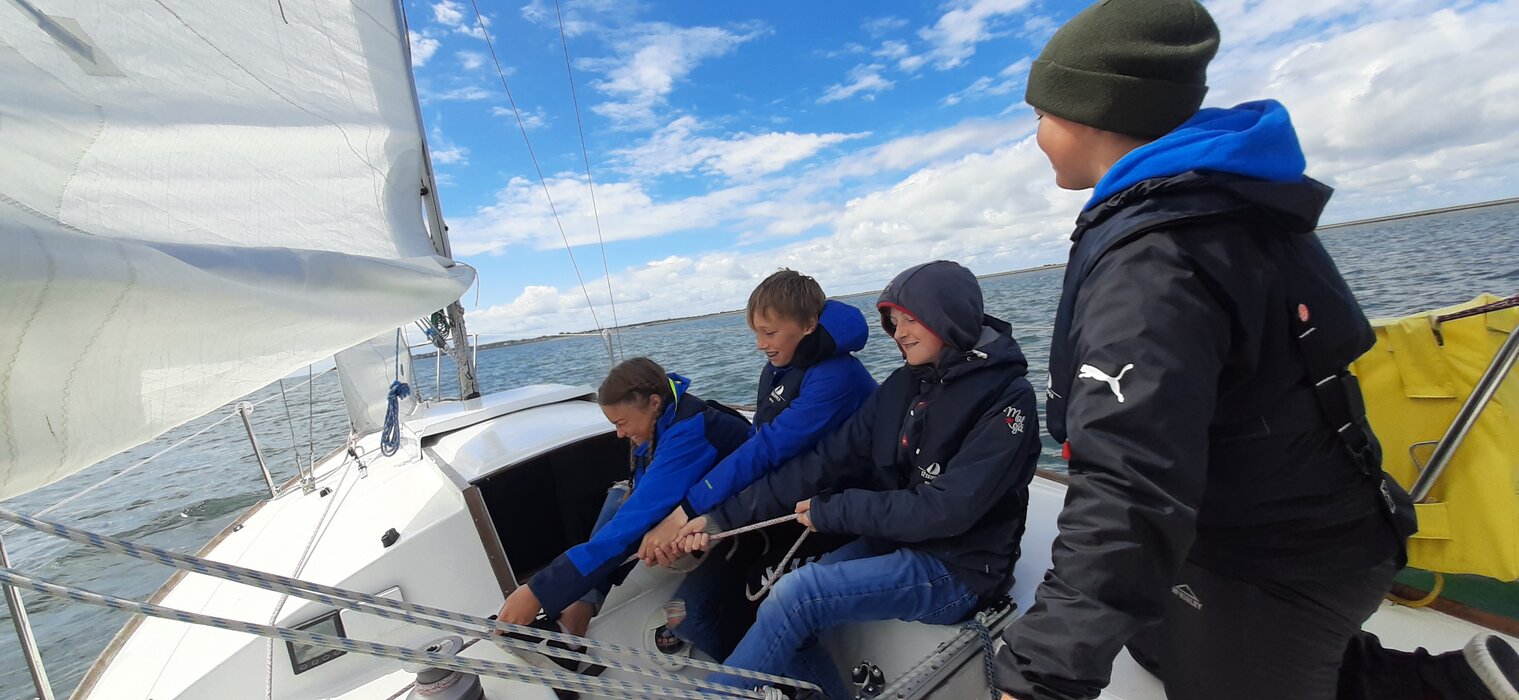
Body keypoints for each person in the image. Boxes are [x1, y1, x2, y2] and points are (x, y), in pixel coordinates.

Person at [991, 2, 1518, 699]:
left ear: (1090, 111)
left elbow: (1130, 478)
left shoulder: (1155, 257)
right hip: (1317, 516)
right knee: (1164, 644)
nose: (1035, 135)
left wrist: (1039, 676)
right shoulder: (1224, 202)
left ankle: (1460, 687)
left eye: (1040, 114)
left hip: (1276, 555)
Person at [679, 260, 1040, 699]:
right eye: (895, 321)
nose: (900, 332)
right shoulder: (903, 385)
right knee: (778, 601)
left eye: (912, 319)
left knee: (799, 593)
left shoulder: (1008, 399)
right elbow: (827, 459)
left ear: (949, 317)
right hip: (895, 541)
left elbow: (947, 510)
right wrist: (721, 518)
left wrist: (835, 510)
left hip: (960, 569)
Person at [638, 269, 878, 660]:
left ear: (808, 325)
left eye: (769, 332)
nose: (760, 344)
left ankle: (782, 682)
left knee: (759, 607)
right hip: (778, 503)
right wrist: (704, 514)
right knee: (691, 613)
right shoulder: (779, 369)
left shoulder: (836, 376)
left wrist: (692, 511)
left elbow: (770, 447)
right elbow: (758, 440)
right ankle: (751, 678)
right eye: (756, 333)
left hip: (834, 509)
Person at [494, 357, 750, 638]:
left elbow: (635, 519)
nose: (619, 434)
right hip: (704, 505)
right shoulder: (667, 417)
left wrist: (538, 591)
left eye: (622, 423)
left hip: (746, 525)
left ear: (654, 402)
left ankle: (573, 622)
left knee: (692, 620)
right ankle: (575, 619)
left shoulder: (689, 434)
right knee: (620, 499)